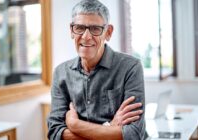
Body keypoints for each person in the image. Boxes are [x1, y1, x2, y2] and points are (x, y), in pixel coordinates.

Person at [47, 0, 145, 140]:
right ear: (71, 31)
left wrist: (74, 125)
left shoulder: (131, 67)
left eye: (95, 29)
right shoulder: (60, 73)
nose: (86, 37)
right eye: (80, 28)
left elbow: (134, 134)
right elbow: (55, 132)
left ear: (108, 32)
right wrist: (109, 128)